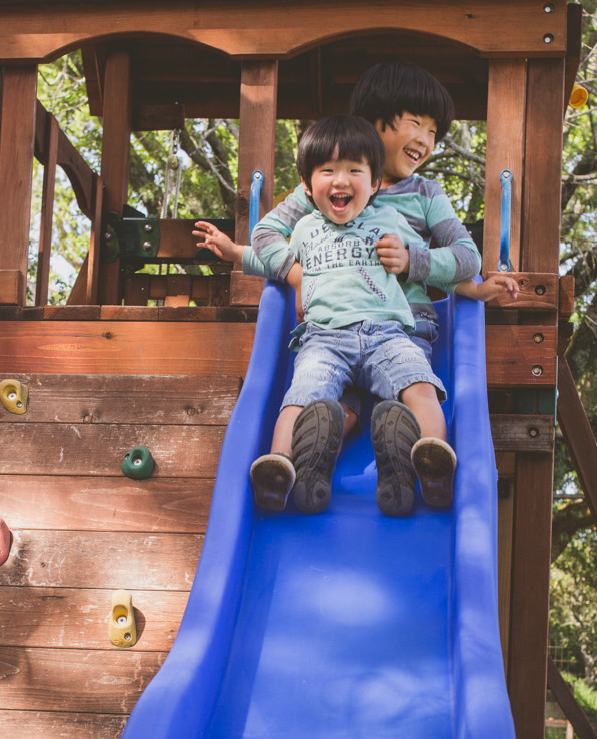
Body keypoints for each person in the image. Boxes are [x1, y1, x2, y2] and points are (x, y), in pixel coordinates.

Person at [196, 114, 515, 517]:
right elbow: (266, 246)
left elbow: (434, 265)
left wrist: (474, 288)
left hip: (389, 333)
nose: (341, 180)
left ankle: (434, 458)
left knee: (419, 383)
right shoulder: (308, 229)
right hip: (325, 336)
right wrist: (242, 255)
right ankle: (280, 465)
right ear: (309, 188)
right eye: (327, 171)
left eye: (353, 171)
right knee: (302, 392)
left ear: (374, 182)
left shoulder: (390, 222)